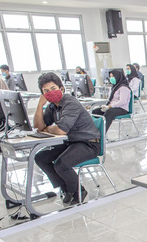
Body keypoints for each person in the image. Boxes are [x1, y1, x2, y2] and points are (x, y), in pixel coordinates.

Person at [33, 72, 100, 205]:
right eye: (46, 91)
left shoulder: (70, 103)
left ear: (61, 88)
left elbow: (60, 130)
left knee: (61, 164)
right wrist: (40, 105)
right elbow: (39, 126)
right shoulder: (52, 106)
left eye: (53, 89)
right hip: (71, 142)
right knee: (40, 157)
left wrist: (49, 129)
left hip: (88, 143)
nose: (50, 93)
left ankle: (78, 191)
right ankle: (66, 188)